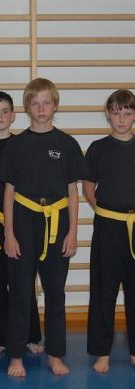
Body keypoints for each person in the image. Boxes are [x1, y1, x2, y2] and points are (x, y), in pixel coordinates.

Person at [0, 78, 88, 377]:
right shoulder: (16, 145)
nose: (41, 108)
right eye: (35, 103)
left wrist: (73, 232)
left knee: (55, 292)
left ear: (55, 105)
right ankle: (15, 355)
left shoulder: (67, 144)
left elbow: (73, 192)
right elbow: (9, 191)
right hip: (23, 221)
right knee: (20, 290)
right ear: (27, 107)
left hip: (57, 221)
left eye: (46, 102)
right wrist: (9, 233)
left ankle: (55, 354)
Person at [0, 91, 43, 357]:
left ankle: (30, 334)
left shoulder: (24, 145)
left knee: (23, 280)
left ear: (14, 116)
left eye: (5, 111)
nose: (0, 117)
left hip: (22, 220)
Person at [84, 89, 135, 374]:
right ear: (108, 115)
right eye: (116, 113)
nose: (122, 119)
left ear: (134, 115)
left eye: (127, 113)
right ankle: (102, 352)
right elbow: (88, 186)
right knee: (104, 289)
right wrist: (103, 211)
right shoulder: (98, 148)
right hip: (108, 226)